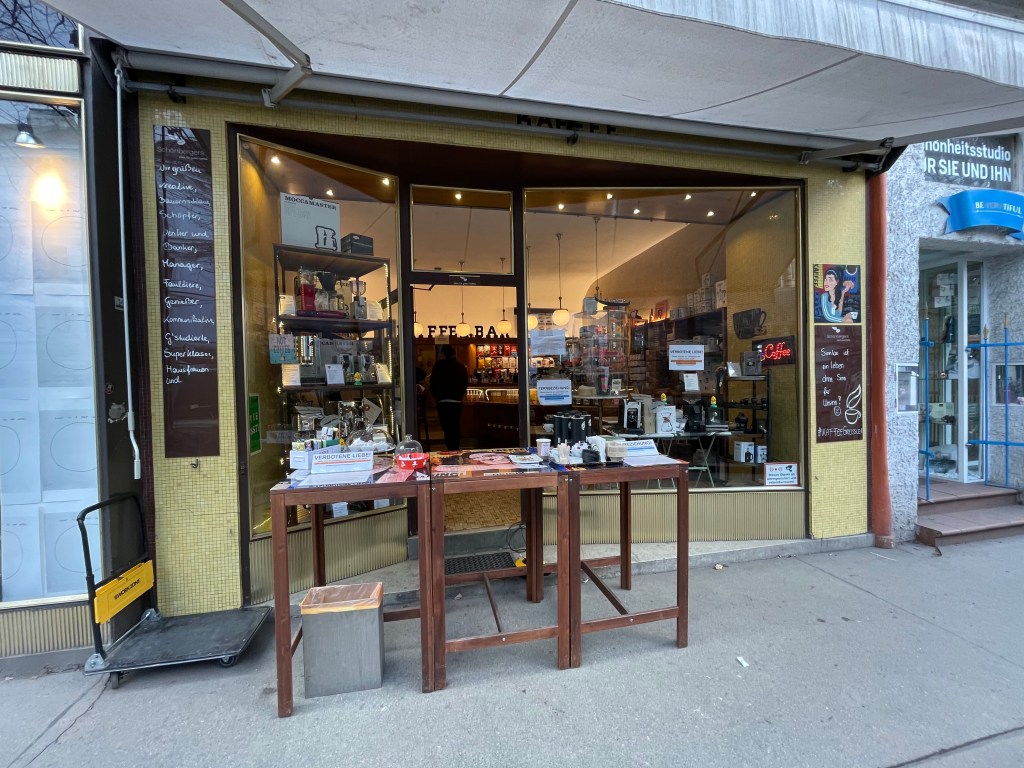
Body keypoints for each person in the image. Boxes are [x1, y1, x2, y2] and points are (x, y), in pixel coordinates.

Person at [430, 344, 469, 450]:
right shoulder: (461, 367)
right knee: (455, 426)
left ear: (442, 354)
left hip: (443, 402)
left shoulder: (438, 365)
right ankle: (455, 447)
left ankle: (450, 447)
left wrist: (437, 397)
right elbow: (465, 383)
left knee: (446, 427)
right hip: (457, 402)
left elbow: (433, 384)